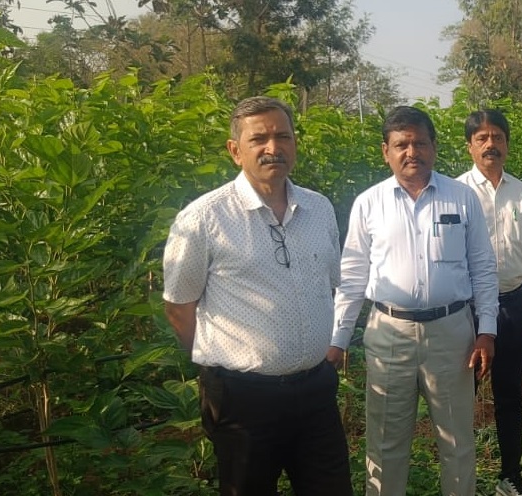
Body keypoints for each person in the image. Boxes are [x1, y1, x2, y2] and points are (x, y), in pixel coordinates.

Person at [162, 96, 353, 496]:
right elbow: (180, 306)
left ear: (295, 144)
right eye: (259, 139)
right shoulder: (203, 219)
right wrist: (220, 363)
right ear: (235, 151)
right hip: (242, 400)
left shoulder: (319, 209)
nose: (273, 148)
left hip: (316, 391)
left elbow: (330, 284)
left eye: (283, 136)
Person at [331, 106, 499, 496]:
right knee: (386, 442)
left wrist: (487, 330)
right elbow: (352, 274)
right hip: (389, 332)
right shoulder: (368, 203)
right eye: (401, 144)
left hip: (453, 334)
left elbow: (483, 268)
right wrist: (338, 340)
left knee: (457, 440)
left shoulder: (462, 198)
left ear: (434, 147)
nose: (412, 152)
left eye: (420, 143)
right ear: (385, 151)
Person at [455, 109, 522, 496]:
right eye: (482, 138)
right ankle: (463, 479)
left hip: (512, 305)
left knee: (510, 395)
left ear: (507, 144)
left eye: (497, 137)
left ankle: (510, 477)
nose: (490, 144)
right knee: (462, 395)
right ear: (470, 147)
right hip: (466, 307)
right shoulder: (456, 193)